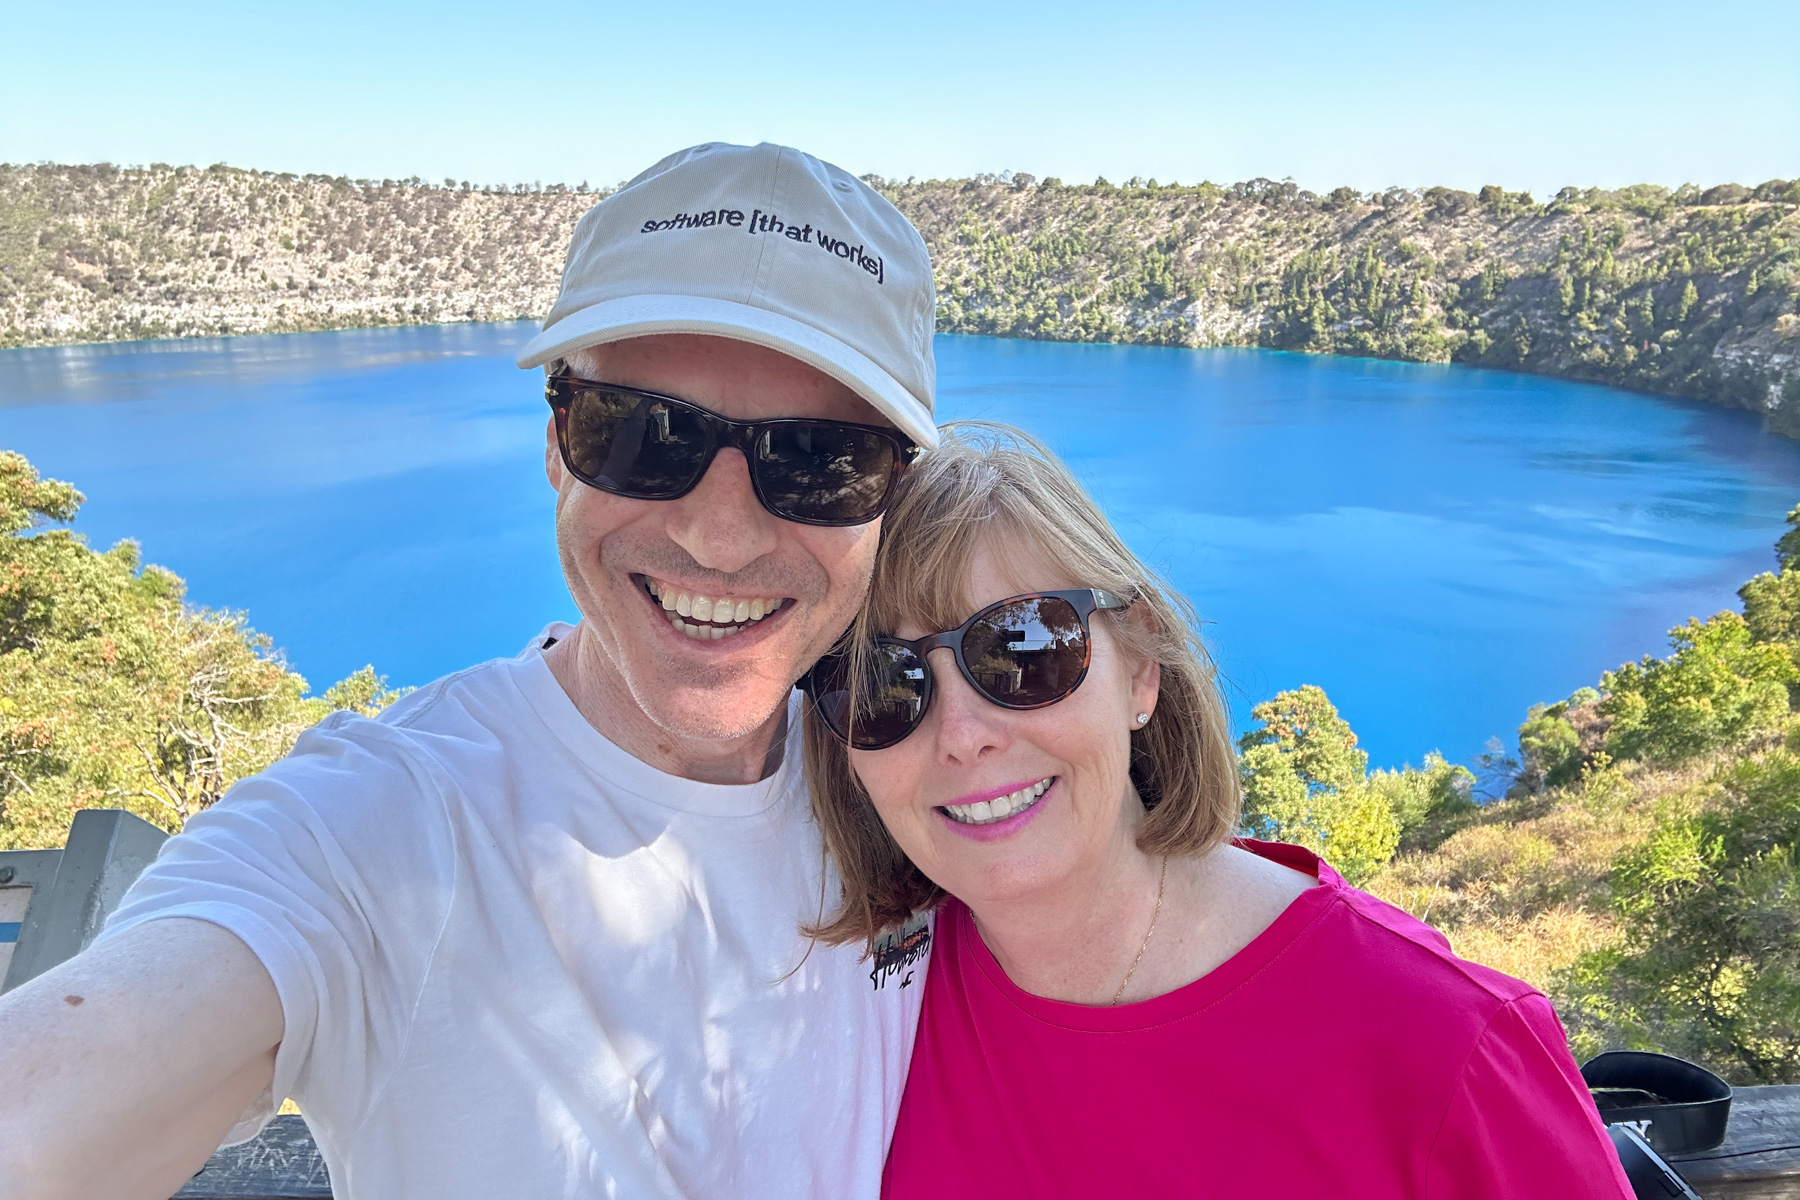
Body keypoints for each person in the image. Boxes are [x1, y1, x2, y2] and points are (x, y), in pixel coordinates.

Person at [0, 142, 941, 1200]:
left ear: (889, 498)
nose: (721, 538)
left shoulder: (926, 772)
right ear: (555, 442)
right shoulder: (379, 827)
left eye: (819, 462)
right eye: (641, 436)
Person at [799, 424, 1636, 1199]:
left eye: (1021, 650)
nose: (961, 737)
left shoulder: (1445, 1046)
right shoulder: (866, 1006)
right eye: (885, 686)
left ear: (1139, 669)